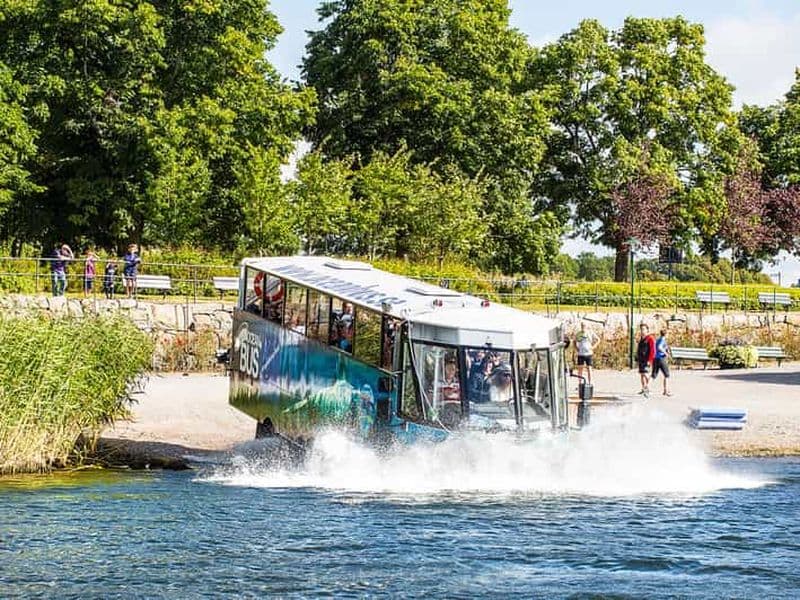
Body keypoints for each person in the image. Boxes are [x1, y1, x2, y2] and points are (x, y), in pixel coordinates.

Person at [636, 323, 656, 397]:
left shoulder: (650, 338)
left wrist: (650, 360)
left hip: (646, 360)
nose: (642, 331)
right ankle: (643, 388)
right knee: (642, 374)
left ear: (647, 330)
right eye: (641, 329)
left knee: (645, 373)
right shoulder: (642, 339)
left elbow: (653, 351)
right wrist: (637, 357)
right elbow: (639, 349)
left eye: (643, 329)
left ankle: (648, 388)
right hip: (641, 359)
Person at [652, 329, 672, 396]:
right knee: (667, 375)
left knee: (653, 375)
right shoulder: (662, 340)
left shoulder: (658, 339)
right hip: (661, 359)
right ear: (666, 334)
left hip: (655, 358)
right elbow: (659, 347)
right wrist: (666, 353)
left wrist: (666, 349)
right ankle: (666, 391)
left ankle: (646, 387)